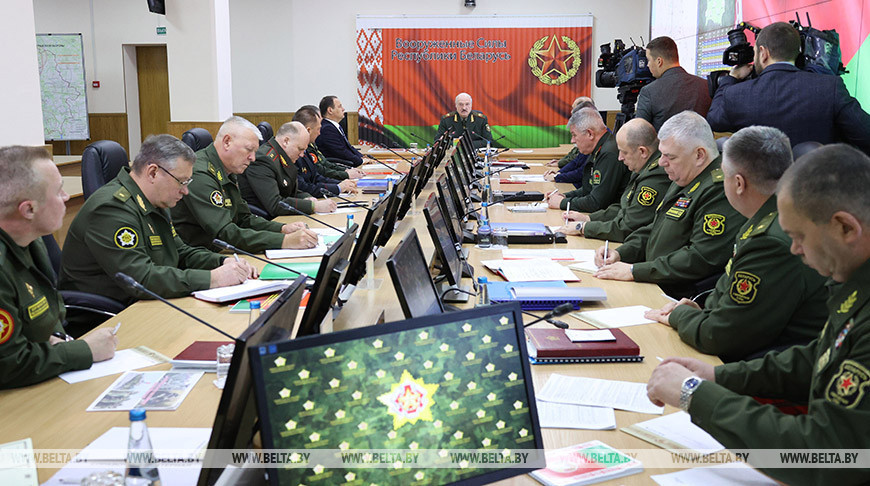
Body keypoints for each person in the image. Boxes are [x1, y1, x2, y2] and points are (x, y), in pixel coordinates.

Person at [647, 144, 870, 485]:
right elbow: (821, 356)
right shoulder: (852, 275)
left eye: (799, 237)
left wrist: (695, 394)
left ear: (846, 228)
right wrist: (719, 376)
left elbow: (830, 455)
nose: (794, 249)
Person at [644, 126, 827, 362]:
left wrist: (679, 316)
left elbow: (719, 336)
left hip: (770, 366)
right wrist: (702, 311)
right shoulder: (770, 217)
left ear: (739, 183)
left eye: (724, 175)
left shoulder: (770, 240)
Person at [60, 135, 257, 305]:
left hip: (145, 302)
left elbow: (180, 252)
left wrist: (223, 261)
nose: (185, 191)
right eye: (181, 182)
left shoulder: (154, 200)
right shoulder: (111, 208)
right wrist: (213, 278)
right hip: (110, 315)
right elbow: (141, 278)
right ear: (153, 172)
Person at [594, 111, 746, 299]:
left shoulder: (719, 189)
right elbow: (657, 228)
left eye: (670, 157)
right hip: (656, 280)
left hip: (679, 294)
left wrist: (636, 270)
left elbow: (699, 258)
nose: (661, 162)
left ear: (699, 155)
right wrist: (620, 253)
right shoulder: (686, 175)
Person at [0, 146, 117, 389]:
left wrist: (55, 339)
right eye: (58, 191)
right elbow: (8, 364)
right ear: (28, 209)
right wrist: (84, 350)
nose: (66, 197)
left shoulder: (30, 240)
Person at [707, 22, 870, 154]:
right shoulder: (829, 86)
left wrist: (730, 79)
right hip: (820, 181)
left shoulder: (735, 95)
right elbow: (865, 134)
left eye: (755, 53)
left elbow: (713, 121)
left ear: (763, 53)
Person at [171, 116, 319, 252]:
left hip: (220, 252)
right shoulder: (200, 173)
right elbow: (226, 232)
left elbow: (243, 218)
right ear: (227, 142)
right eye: (249, 150)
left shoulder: (228, 169)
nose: (253, 158)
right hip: (202, 257)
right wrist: (284, 241)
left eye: (255, 151)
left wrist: (283, 228)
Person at [557, 118, 670, 242]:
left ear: (642, 151)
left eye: (624, 152)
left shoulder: (655, 177)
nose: (620, 158)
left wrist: (583, 228)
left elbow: (627, 227)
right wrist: (588, 219)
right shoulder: (642, 167)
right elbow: (624, 207)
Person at [239, 121, 338, 217]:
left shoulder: (283, 156)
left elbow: (290, 191)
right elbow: (275, 204)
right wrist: (313, 206)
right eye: (300, 149)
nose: (302, 155)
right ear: (286, 141)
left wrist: (307, 197)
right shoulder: (264, 160)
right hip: (266, 219)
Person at [546, 108, 630, 213]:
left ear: (590, 134)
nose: (572, 140)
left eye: (574, 135)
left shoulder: (609, 153)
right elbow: (588, 189)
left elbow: (596, 202)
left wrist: (563, 203)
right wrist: (563, 196)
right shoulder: (600, 148)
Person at [636, 36, 711, 131]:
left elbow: (640, 132)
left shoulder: (649, 92)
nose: (647, 65)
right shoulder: (705, 85)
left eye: (649, 60)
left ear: (659, 61)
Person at [292, 107, 359, 197]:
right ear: (308, 130)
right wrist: (338, 186)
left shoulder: (306, 147)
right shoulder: (295, 152)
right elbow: (303, 187)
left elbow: (316, 176)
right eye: (318, 129)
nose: (320, 133)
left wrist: (340, 184)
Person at [543, 97, 597, 186]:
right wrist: (559, 173)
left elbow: (582, 171)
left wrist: (558, 177)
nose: (571, 112)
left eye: (574, 109)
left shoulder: (592, 135)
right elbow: (577, 161)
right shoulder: (585, 131)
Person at [315, 96, 364, 166]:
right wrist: (361, 161)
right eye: (339, 106)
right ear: (330, 110)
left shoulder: (334, 126)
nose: (343, 109)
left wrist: (362, 157)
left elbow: (348, 147)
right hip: (337, 166)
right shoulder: (327, 129)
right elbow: (341, 151)